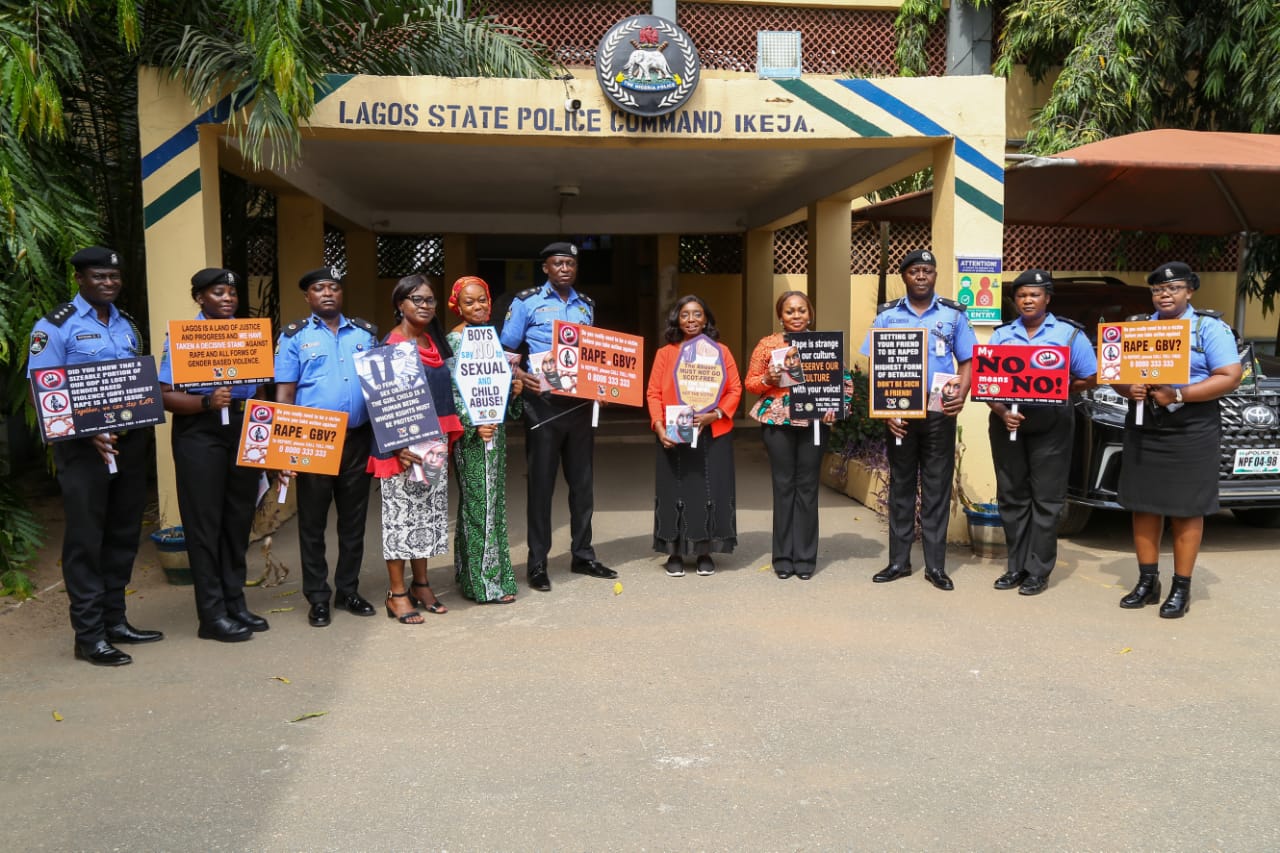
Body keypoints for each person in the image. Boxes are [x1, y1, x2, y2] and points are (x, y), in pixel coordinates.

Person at [27, 247, 163, 666]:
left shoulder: (127, 325)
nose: (109, 283)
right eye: (99, 277)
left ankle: (115, 621)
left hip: (129, 442)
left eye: (114, 278)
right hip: (84, 450)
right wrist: (88, 433)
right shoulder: (54, 327)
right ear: (80, 279)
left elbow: (133, 382)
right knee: (87, 539)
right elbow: (45, 393)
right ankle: (89, 637)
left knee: (123, 533)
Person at [1112, 262, 1242, 618]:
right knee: (1144, 503)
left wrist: (1180, 394)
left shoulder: (1208, 328)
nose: (1165, 295)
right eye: (1158, 290)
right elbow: (1115, 375)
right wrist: (1129, 387)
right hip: (1144, 422)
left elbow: (1230, 376)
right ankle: (1146, 582)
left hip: (1191, 425)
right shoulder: (1139, 328)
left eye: (1173, 288)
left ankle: (1180, 587)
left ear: (1189, 292)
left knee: (1187, 508)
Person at [158, 268, 268, 642]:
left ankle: (235, 602)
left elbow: (261, 390)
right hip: (200, 433)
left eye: (232, 293)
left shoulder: (248, 335)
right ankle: (212, 614)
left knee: (238, 519)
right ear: (200, 298)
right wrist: (205, 401)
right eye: (218, 292)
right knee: (205, 524)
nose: (227, 298)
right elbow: (163, 394)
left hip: (243, 426)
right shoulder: (184, 338)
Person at [499, 242, 615, 591]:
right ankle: (537, 563)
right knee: (541, 485)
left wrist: (603, 386)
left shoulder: (586, 306)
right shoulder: (526, 302)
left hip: (579, 406)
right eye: (557, 263)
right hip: (543, 405)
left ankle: (583, 554)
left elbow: (593, 356)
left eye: (570, 263)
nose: (565, 268)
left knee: (582, 486)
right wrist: (521, 379)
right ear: (546, 268)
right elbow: (506, 354)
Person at [859, 249, 977, 591]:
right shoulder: (887, 316)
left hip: (940, 409)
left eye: (927, 270)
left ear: (935, 275)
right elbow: (876, 366)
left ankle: (936, 567)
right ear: (905, 277)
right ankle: (898, 562)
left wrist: (963, 394)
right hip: (900, 413)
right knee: (901, 486)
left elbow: (968, 360)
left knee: (937, 487)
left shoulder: (953, 315)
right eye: (914, 271)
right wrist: (886, 411)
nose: (921, 276)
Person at [274, 267, 380, 627]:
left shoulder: (365, 334)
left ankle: (348, 590)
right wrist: (283, 451)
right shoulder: (294, 337)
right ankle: (318, 596)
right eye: (319, 288)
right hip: (313, 440)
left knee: (353, 522)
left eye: (334, 287)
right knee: (313, 522)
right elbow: (285, 394)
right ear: (308, 297)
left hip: (357, 437)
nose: (328, 293)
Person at [986, 270, 1098, 596]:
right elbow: (988, 383)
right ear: (1015, 300)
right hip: (1008, 421)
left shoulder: (1068, 335)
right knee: (1011, 495)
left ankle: (1038, 570)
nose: (1028, 300)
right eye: (1022, 295)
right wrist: (1002, 412)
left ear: (1047, 298)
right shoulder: (1001, 335)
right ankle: (1015, 567)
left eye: (1034, 294)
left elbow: (1090, 376)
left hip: (1052, 422)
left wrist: (1060, 388)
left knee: (1047, 499)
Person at [367, 274, 463, 623]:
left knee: (427, 518)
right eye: (416, 300)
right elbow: (380, 405)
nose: (424, 306)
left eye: (430, 300)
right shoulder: (390, 346)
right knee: (400, 521)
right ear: (400, 304)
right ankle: (397, 593)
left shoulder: (431, 341)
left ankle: (422, 584)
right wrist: (395, 447)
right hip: (402, 449)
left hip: (432, 445)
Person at [646, 295, 742, 577]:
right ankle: (673, 553)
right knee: (675, 490)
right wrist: (658, 425)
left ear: (706, 319)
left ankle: (704, 552)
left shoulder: (721, 352)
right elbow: (653, 393)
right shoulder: (665, 353)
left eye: (697, 314)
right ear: (677, 318)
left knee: (709, 490)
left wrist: (717, 414)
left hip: (713, 431)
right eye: (685, 314)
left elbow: (735, 389)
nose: (691, 320)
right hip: (674, 431)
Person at [745, 291, 838, 581]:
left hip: (813, 423)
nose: (796, 316)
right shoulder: (768, 345)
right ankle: (783, 557)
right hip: (777, 423)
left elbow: (842, 381)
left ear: (810, 314)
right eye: (789, 311)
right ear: (780, 316)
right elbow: (750, 383)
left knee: (808, 488)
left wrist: (834, 406)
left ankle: (806, 557)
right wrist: (767, 380)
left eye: (801, 310)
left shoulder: (823, 345)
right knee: (784, 487)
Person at [447, 275, 522, 604]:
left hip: (496, 433)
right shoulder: (451, 341)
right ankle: (485, 584)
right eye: (469, 301)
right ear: (457, 305)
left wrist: (514, 391)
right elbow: (450, 391)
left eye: (482, 300)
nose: (478, 307)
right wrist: (472, 424)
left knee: (493, 505)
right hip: (472, 437)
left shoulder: (491, 337)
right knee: (480, 505)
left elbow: (493, 384)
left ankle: (476, 572)